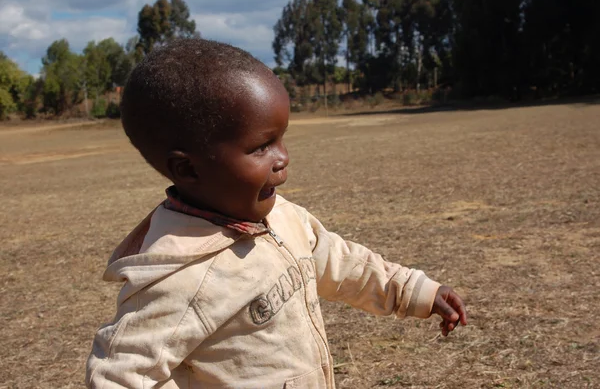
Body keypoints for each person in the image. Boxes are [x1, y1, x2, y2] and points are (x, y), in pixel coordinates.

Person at [86, 38, 467, 389]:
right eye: (261, 146)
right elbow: (120, 375)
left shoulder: (283, 218)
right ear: (188, 170)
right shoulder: (177, 278)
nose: (282, 158)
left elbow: (341, 262)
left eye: (281, 139)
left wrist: (412, 291)